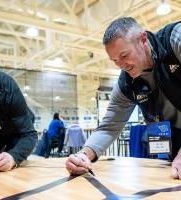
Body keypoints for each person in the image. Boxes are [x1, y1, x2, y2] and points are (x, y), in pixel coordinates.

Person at [66, 17, 181, 179]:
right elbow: (109, 127)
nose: (121, 65)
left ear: (143, 40)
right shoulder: (125, 85)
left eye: (125, 55)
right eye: (114, 61)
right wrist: (84, 155)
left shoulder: (175, 38)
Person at [0, 61, 37, 171]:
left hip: (16, 132)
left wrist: (13, 157)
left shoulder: (6, 87)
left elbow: (29, 135)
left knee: (7, 165)